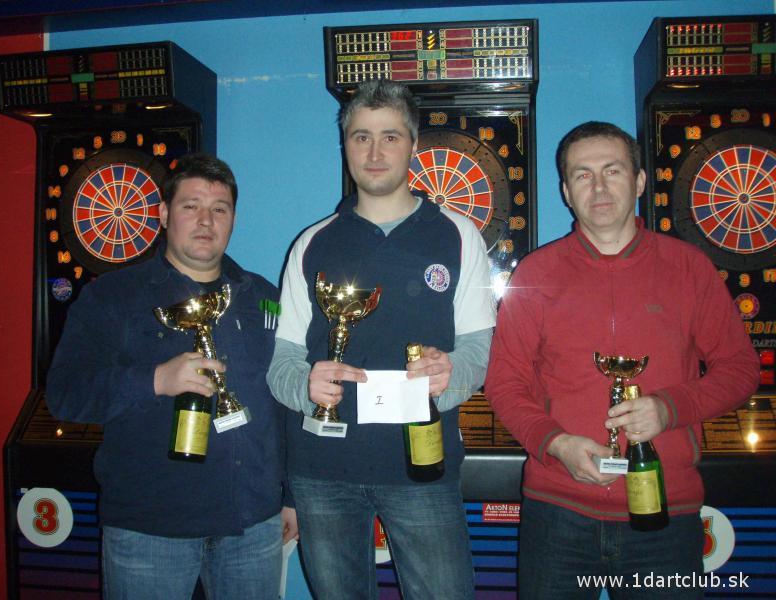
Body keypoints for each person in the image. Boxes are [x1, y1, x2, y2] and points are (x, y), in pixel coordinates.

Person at [484, 121, 760, 599]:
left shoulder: (689, 269)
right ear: (566, 192)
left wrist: (669, 409)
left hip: (665, 513)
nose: (598, 186)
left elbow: (740, 369)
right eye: (582, 174)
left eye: (612, 171)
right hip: (558, 513)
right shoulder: (536, 273)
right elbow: (504, 383)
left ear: (639, 181)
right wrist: (556, 444)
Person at [267, 79, 495, 599]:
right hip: (322, 471)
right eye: (361, 137)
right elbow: (282, 359)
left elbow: (479, 349)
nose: (374, 153)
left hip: (422, 466)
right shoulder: (311, 243)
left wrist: (450, 377)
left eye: (390, 137)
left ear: (413, 145)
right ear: (345, 145)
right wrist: (305, 385)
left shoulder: (459, 235)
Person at [47, 153, 297, 599]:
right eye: (191, 206)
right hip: (150, 530)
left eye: (219, 209)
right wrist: (155, 380)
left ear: (233, 218)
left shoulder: (263, 297)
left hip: (251, 524)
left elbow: (283, 402)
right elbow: (66, 394)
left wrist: (291, 496)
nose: (206, 220)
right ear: (164, 214)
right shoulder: (112, 297)